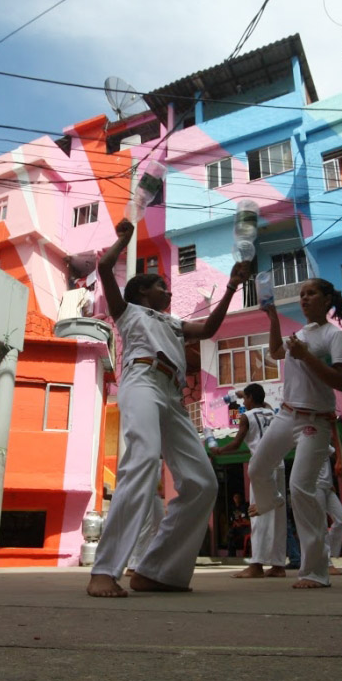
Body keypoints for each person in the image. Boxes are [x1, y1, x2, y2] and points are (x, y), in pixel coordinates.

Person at [87, 218, 251, 597]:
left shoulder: (174, 323)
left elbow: (209, 329)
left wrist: (231, 287)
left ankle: (155, 570)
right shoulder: (128, 312)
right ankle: (105, 570)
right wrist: (123, 240)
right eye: (161, 284)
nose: (168, 289)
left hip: (173, 395)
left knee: (202, 483)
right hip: (141, 382)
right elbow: (105, 268)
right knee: (142, 459)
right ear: (142, 292)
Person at [248, 278, 342, 590]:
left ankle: (315, 571)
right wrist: (272, 319)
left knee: (302, 489)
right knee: (257, 468)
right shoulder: (302, 333)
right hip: (287, 413)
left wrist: (306, 355)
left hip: (315, 422)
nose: (304, 298)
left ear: (326, 299)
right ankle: (271, 500)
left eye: (311, 293)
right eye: (302, 294)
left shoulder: (334, 336)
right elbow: (277, 352)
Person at [210, 383, 283, 578]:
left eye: (245, 398)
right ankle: (278, 565)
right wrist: (246, 394)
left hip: (262, 467)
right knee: (278, 515)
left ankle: (257, 564)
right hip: (279, 465)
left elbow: (235, 444)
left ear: (250, 398)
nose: (243, 402)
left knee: (257, 513)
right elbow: (263, 404)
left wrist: (219, 450)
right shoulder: (271, 413)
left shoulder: (246, 417)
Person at [318, 451, 342, 576]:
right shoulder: (307, 436)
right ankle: (326, 563)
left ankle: (326, 554)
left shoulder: (325, 443)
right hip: (315, 485)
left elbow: (335, 454)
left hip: (328, 486)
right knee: (321, 524)